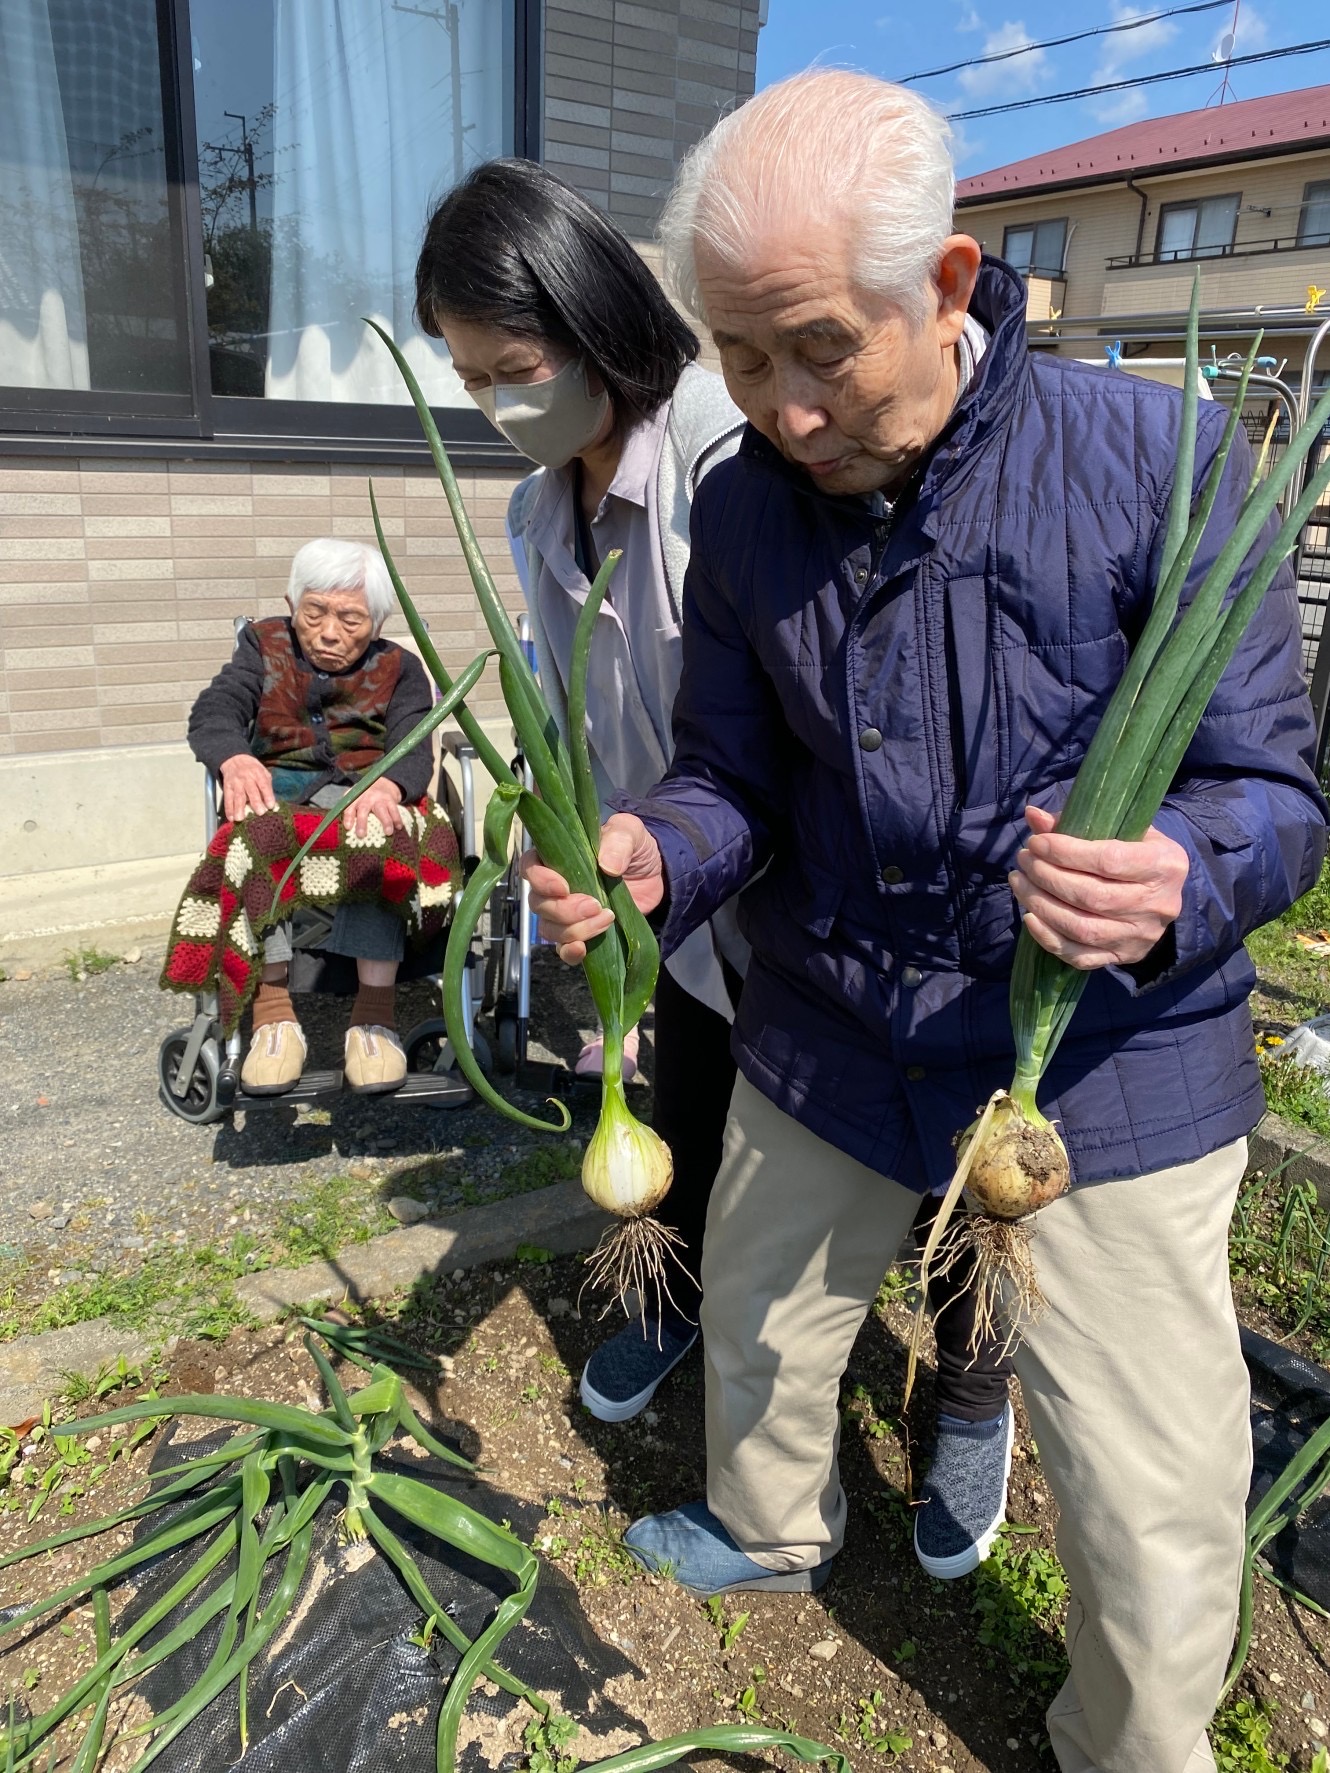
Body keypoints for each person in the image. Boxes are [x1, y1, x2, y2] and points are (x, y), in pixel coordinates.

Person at [524, 69, 1329, 1773]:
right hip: (832, 1025)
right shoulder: (742, 503)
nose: (782, 404)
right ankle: (769, 1520)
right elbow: (730, 770)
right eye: (739, 354)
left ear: (949, 286)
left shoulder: (1162, 460)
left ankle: (1130, 1741)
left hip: (1106, 1062)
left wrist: (1182, 868)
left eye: (818, 345)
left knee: (1153, 1480)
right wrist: (663, 850)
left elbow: (1281, 791)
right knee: (757, 1312)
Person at [415, 160, 1014, 1555]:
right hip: (670, 891)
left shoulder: (724, 452)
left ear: (594, 324)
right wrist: (596, 856)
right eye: (469, 380)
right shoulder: (528, 511)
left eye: (514, 367)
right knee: (689, 1115)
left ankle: (972, 1394)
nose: (497, 405)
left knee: (955, 1157)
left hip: (827, 893)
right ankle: (675, 1299)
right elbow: (582, 724)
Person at [188, 537, 435, 1096]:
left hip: (362, 792)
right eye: (314, 613)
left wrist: (391, 785)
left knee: (379, 836)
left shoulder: (402, 668)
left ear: (375, 622)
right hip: (281, 791)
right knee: (257, 836)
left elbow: (416, 741)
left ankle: (373, 1020)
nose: (329, 633)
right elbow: (216, 709)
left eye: (350, 618)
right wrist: (234, 756)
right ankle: (274, 1020)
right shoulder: (262, 644)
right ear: (290, 603)